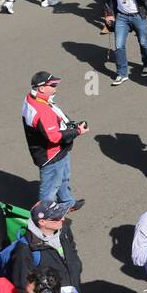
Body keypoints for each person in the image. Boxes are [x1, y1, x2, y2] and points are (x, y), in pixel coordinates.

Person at [23, 71, 88, 205]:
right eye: (52, 85)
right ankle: (43, 219)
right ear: (41, 88)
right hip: (51, 156)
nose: (55, 88)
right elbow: (54, 137)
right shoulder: (42, 110)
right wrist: (77, 131)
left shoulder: (33, 98)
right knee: (48, 193)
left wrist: (70, 125)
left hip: (58, 151)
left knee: (63, 178)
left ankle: (67, 203)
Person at [2, 199, 83, 293]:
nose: (62, 219)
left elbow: (72, 250)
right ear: (42, 222)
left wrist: (76, 267)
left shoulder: (64, 230)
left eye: (62, 215)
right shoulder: (25, 249)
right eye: (56, 218)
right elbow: (22, 287)